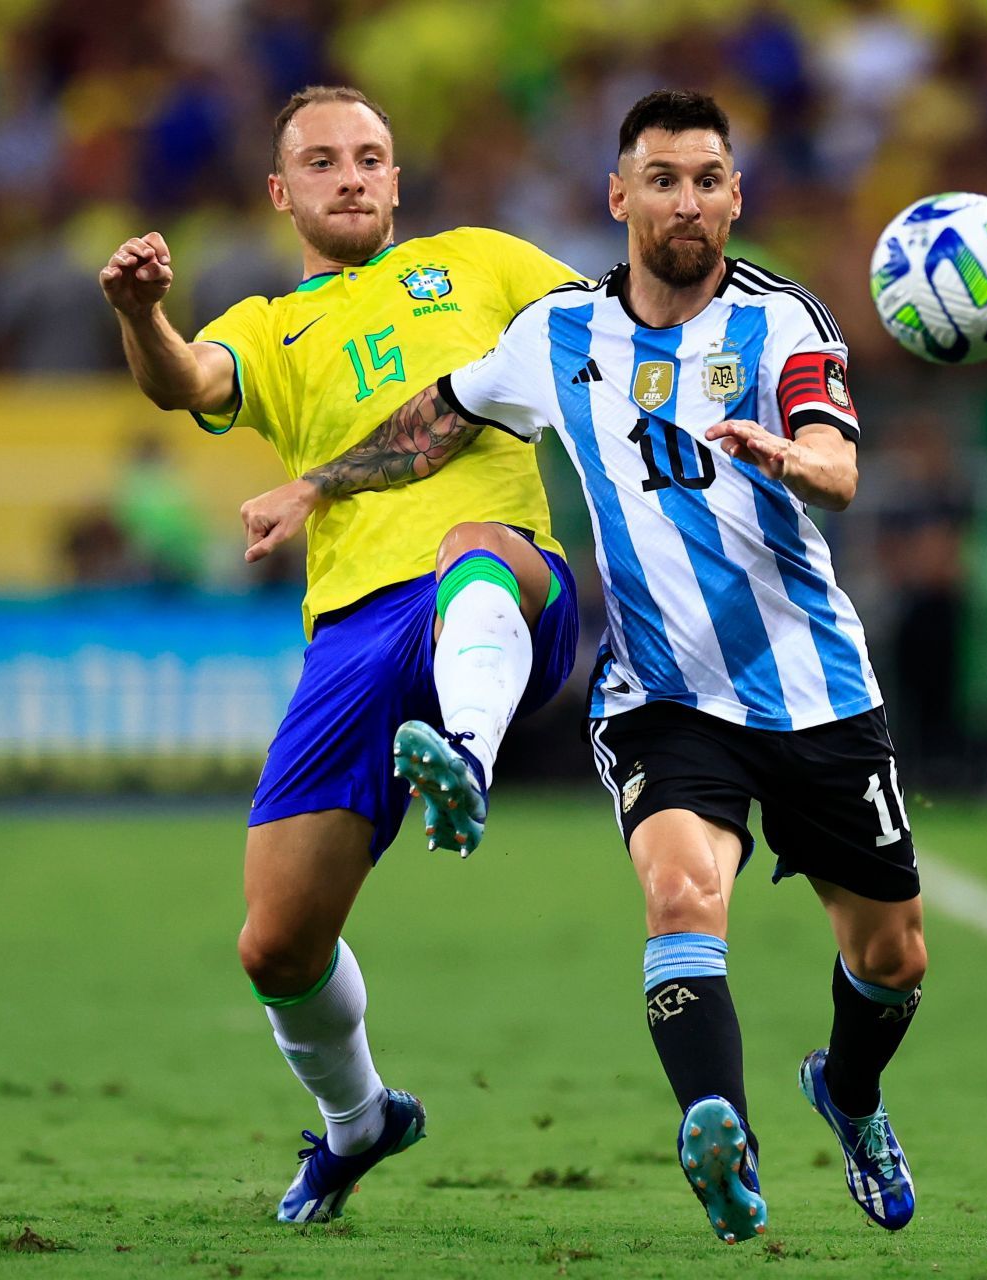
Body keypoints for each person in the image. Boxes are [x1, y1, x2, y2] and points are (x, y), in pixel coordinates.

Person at [242, 89, 929, 1244]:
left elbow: (837, 456)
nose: (688, 201)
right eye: (662, 178)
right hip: (661, 692)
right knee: (680, 893)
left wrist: (796, 458)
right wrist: (315, 485)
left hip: (813, 690)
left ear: (734, 198)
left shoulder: (783, 321)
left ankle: (849, 1092)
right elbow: (438, 418)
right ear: (620, 198)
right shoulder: (562, 335)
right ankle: (723, 1131)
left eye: (709, 179)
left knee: (890, 954)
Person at [98, 84, 585, 1224]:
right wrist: (140, 315)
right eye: (323, 161)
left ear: (399, 178)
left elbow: (610, 332)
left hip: (506, 582)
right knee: (276, 942)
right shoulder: (271, 326)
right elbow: (186, 381)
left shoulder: (482, 262)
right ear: (282, 193)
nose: (353, 175)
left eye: (371, 156)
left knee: (474, 547)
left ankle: (464, 756)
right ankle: (362, 1120)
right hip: (354, 633)